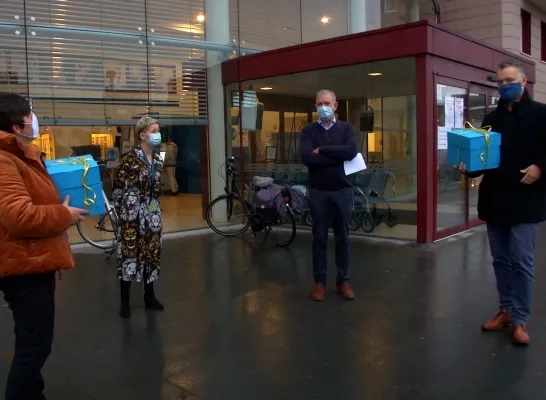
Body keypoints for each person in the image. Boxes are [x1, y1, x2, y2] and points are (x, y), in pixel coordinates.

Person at [0, 93, 87, 399]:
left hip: (32, 258)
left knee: (32, 343)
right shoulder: (4, 160)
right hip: (25, 266)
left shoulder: (21, 155)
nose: (34, 119)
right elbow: (19, 216)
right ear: (16, 125)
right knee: (34, 348)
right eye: (30, 114)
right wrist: (63, 215)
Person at [459, 61, 546, 345]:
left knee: (522, 261)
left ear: (523, 81)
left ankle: (520, 320)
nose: (504, 86)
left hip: (525, 201)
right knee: (500, 260)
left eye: (509, 80)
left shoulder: (541, 114)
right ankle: (506, 310)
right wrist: (468, 167)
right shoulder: (491, 118)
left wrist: (540, 167)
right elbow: (482, 160)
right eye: (500, 81)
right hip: (495, 200)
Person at [300, 89, 358, 301]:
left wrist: (322, 149)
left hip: (342, 191)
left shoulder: (346, 129)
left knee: (343, 238)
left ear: (335, 105)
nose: (323, 107)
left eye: (326, 103)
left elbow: (351, 151)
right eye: (319, 104)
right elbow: (307, 158)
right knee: (319, 238)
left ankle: (343, 281)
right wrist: (336, 154)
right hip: (319, 192)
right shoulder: (308, 131)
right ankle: (320, 282)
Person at [113, 116, 164, 318]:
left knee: (151, 253)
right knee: (129, 254)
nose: (157, 134)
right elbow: (118, 188)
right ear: (142, 135)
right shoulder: (129, 159)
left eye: (158, 130)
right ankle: (124, 300)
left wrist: (154, 210)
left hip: (151, 215)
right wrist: (122, 213)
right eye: (153, 131)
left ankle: (149, 296)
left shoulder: (158, 160)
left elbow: (157, 189)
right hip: (131, 215)